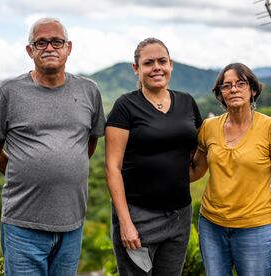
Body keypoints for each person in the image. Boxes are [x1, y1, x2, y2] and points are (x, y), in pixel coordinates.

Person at [0, 17, 105, 275]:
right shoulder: (8, 91)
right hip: (23, 225)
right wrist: (24, 174)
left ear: (68, 47)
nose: (49, 47)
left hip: (71, 224)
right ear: (30, 51)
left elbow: (90, 140)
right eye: (41, 42)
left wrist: (65, 167)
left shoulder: (89, 91)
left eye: (57, 41)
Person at [105, 37, 203, 275]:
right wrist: (125, 223)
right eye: (149, 63)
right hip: (139, 217)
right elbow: (112, 168)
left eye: (162, 61)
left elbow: (198, 155)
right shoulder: (125, 106)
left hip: (179, 215)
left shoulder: (187, 102)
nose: (157, 67)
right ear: (136, 69)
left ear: (171, 65)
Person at [190, 62, 271, 275]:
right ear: (220, 94)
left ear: (253, 90)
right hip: (211, 225)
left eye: (241, 83)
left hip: (254, 227)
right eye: (226, 86)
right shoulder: (208, 128)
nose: (233, 89)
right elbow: (196, 170)